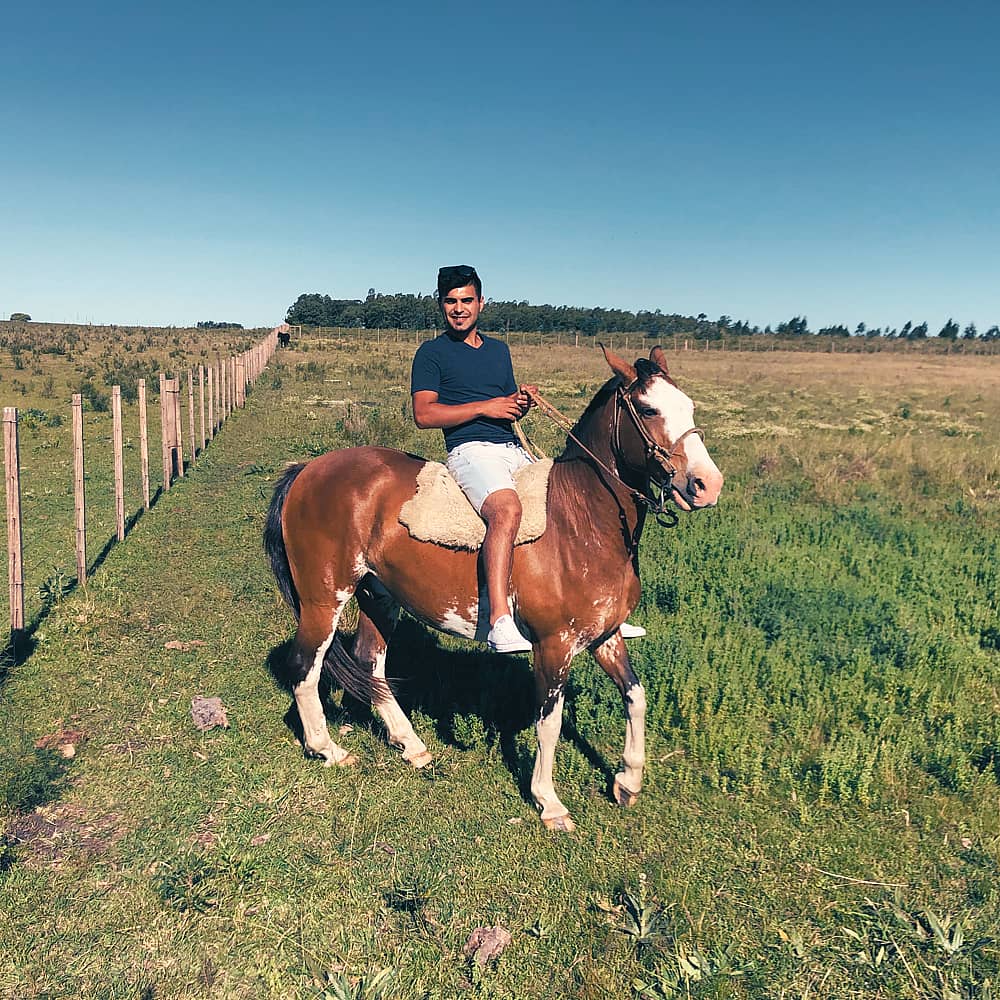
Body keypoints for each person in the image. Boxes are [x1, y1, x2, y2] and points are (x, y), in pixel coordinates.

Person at [411, 264, 646, 652]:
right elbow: (425, 415)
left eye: (466, 300)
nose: (458, 309)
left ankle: (596, 609)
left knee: (570, 503)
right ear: (440, 305)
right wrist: (487, 407)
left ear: (481, 303)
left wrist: (519, 403)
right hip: (470, 452)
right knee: (506, 511)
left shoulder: (498, 351)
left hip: (511, 449)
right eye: (450, 302)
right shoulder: (432, 354)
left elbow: (505, 408)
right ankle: (499, 620)